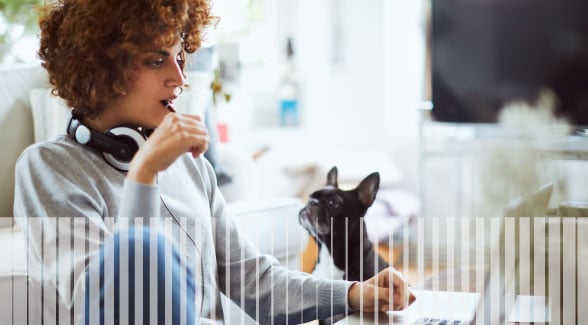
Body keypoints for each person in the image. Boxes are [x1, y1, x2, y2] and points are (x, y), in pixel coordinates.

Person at [13, 0, 416, 324]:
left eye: (179, 57)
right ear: (101, 68)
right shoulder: (47, 168)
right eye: (157, 60)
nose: (179, 78)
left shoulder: (190, 168)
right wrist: (144, 176)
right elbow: (104, 310)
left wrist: (350, 294)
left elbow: (254, 281)